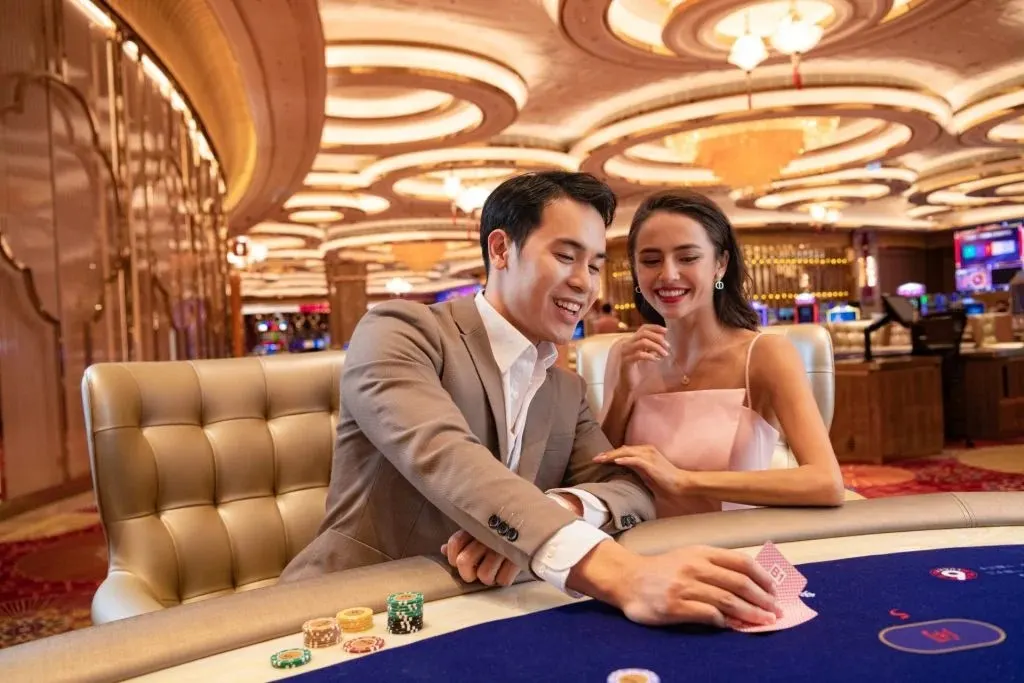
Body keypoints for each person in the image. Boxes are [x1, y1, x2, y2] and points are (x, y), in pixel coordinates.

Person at [281, 172, 782, 629]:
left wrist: (558, 505)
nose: (584, 283)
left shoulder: (566, 389)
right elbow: (445, 454)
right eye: (566, 257)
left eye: (595, 264)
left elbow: (628, 490)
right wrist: (624, 575)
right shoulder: (401, 332)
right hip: (352, 613)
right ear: (501, 249)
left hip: (494, 613)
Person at [595, 189, 845, 518]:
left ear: (720, 265)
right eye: (651, 260)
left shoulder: (766, 353)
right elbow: (598, 475)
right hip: (643, 550)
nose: (668, 274)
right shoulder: (624, 355)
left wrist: (684, 481)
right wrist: (624, 391)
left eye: (687, 258)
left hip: (740, 545)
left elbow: (826, 483)